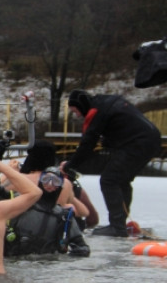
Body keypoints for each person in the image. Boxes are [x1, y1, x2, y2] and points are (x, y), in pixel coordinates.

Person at [62, 89, 162, 236]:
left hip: (137, 143)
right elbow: (123, 124)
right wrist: (110, 140)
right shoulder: (106, 101)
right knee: (122, 181)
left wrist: (70, 165)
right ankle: (119, 224)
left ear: (81, 105)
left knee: (109, 180)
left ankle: (117, 227)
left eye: (76, 111)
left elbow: (88, 143)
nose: (77, 115)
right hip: (151, 139)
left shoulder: (95, 111)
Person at [0, 167, 91, 258]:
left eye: (55, 181)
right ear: (40, 181)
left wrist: (63, 258)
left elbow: (83, 248)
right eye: (46, 179)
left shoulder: (63, 216)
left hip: (47, 263)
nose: (49, 184)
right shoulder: (21, 202)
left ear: (60, 186)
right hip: (14, 259)